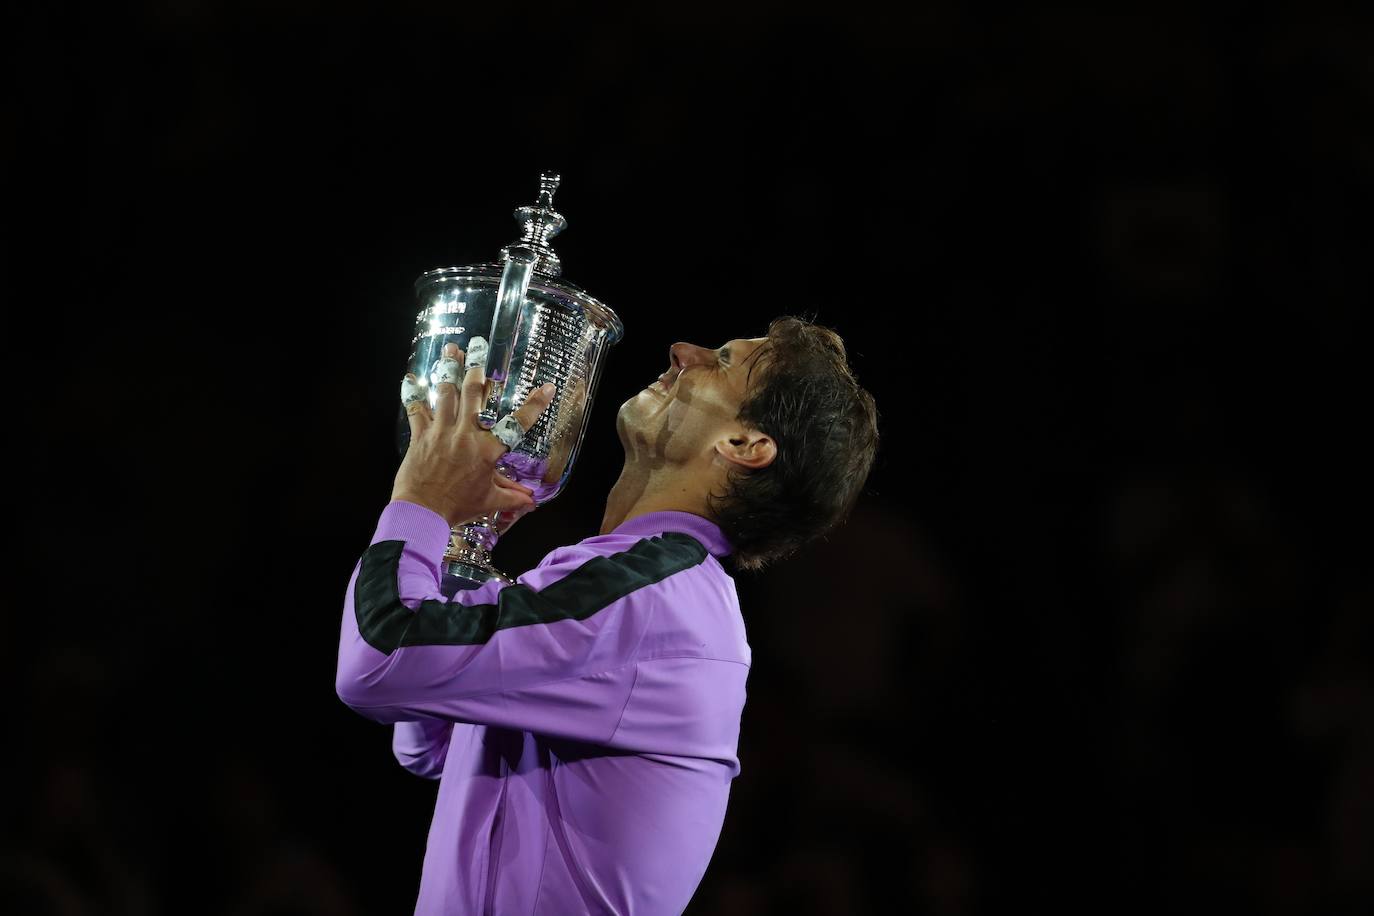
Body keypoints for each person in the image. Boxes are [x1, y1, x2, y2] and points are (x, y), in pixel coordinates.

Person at [335, 316, 879, 915]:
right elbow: (433, 742)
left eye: (723, 360)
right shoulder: (647, 583)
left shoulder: (651, 599)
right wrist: (461, 544)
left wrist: (423, 500)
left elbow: (380, 663)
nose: (683, 350)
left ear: (745, 445)